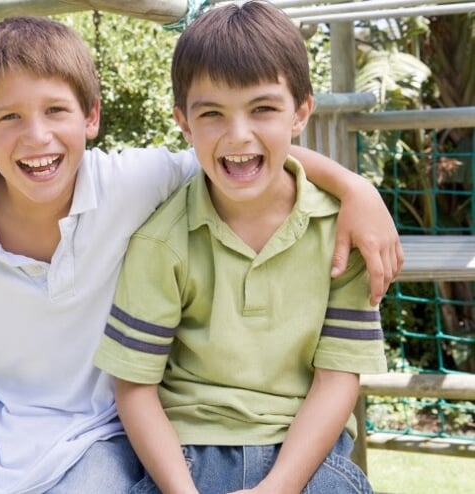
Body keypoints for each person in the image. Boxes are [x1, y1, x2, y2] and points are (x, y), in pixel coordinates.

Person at [0, 14, 401, 494]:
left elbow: (245, 151)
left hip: (103, 433)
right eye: (10, 118)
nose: (37, 136)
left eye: (54, 111)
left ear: (90, 118)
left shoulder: (131, 183)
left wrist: (358, 191)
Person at [94, 3, 387, 494]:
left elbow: (338, 379)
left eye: (263, 109)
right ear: (183, 123)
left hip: (308, 459)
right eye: (212, 114)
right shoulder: (161, 243)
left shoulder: (344, 234)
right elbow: (134, 388)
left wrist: (279, 487)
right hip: (185, 458)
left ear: (301, 113)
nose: (238, 135)